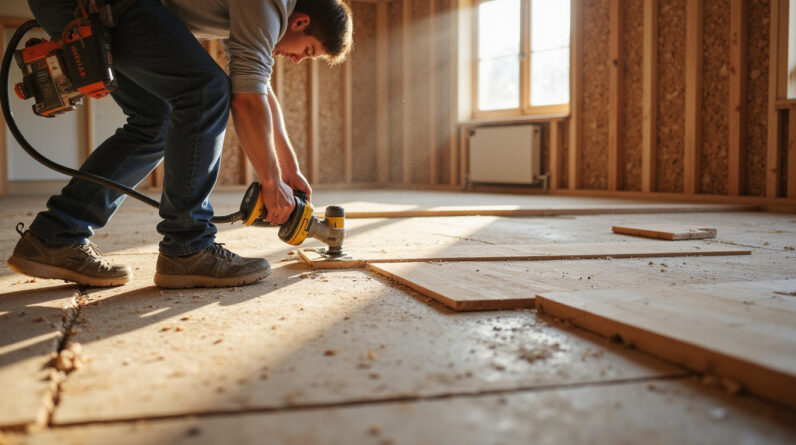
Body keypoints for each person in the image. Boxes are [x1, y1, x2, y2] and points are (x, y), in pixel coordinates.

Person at [6, 0, 353, 289]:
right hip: (100, 3)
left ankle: (56, 235)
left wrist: (288, 170)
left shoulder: (259, 14)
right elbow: (247, 100)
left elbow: (255, 85)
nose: (296, 60)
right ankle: (188, 247)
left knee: (156, 120)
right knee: (205, 91)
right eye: (307, 51)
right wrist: (272, 183)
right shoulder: (269, 3)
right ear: (301, 21)